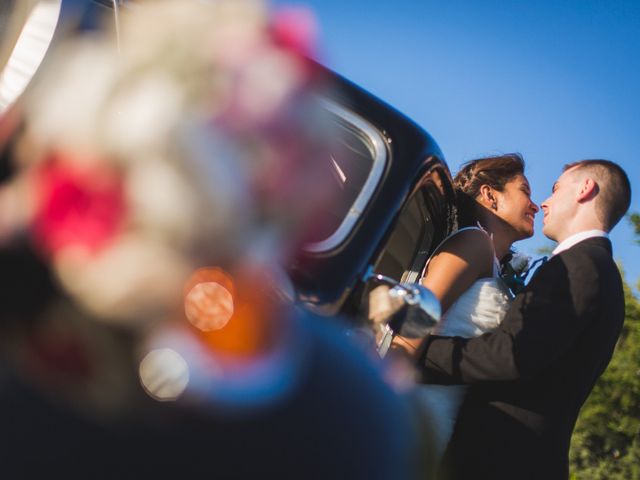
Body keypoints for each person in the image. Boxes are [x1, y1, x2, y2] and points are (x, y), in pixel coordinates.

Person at [412, 159, 631, 479]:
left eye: (555, 189)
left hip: (503, 459)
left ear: (585, 189)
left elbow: (510, 356)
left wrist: (416, 351)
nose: (543, 202)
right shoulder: (593, 267)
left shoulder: (581, 265)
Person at [391, 153, 539, 463]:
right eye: (525, 190)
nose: (535, 205)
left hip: (446, 412)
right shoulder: (474, 242)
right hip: (418, 405)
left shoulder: (493, 262)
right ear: (489, 195)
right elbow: (418, 316)